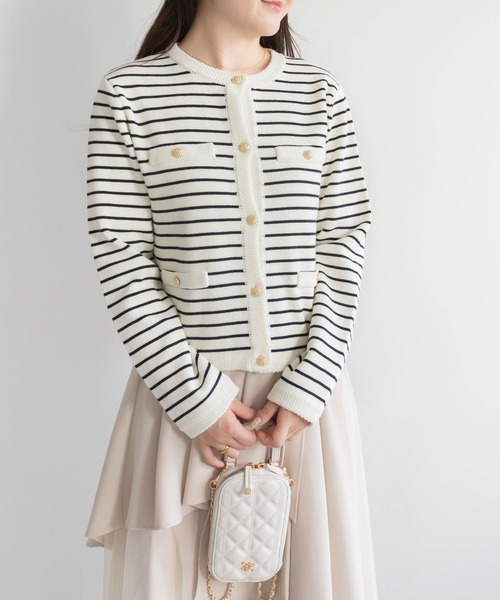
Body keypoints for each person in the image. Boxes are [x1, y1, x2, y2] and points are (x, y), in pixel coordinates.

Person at [84, 1, 379, 599]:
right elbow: (122, 261)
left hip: (303, 409)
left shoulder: (319, 96)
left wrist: (310, 385)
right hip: (179, 406)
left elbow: (343, 246)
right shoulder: (129, 96)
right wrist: (197, 402)